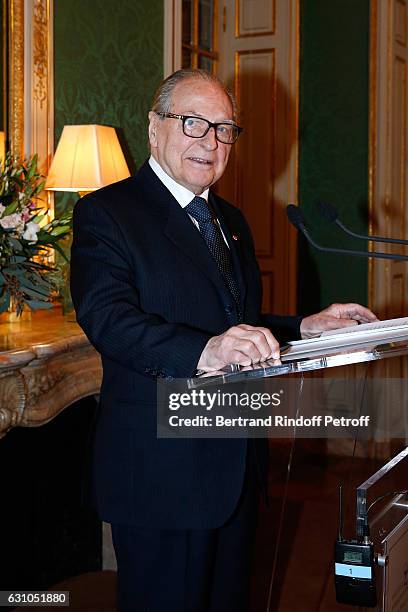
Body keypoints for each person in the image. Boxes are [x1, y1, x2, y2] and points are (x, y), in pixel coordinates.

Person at [70, 69, 377, 612]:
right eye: (193, 123)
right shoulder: (107, 213)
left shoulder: (229, 219)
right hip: (160, 475)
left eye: (224, 129)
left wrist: (306, 327)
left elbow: (239, 325)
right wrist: (204, 351)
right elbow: (108, 319)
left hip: (235, 467)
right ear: (154, 127)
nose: (210, 142)